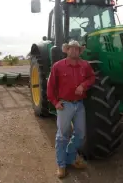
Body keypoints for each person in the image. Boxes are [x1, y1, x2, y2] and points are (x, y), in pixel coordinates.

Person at [47, 40, 96, 178]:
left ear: (80, 51)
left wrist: (83, 85)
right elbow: (50, 87)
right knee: (62, 136)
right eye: (71, 49)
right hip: (65, 105)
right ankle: (61, 165)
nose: (74, 51)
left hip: (79, 105)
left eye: (77, 49)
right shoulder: (58, 66)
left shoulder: (85, 65)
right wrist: (55, 102)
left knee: (80, 134)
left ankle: (70, 158)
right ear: (67, 50)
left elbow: (92, 77)